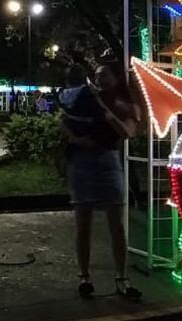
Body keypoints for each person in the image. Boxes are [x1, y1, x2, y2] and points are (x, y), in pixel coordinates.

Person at [59, 63, 142, 302]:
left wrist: (105, 109)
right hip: (82, 162)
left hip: (107, 161)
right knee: (82, 222)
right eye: (95, 76)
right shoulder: (81, 98)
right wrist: (76, 139)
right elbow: (63, 121)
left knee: (116, 224)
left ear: (116, 77)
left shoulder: (119, 101)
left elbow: (127, 131)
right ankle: (84, 278)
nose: (98, 79)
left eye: (103, 74)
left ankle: (121, 278)